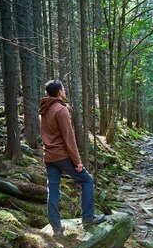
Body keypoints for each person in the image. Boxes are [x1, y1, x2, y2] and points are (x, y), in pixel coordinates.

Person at [39, 79, 105, 235]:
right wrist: (77, 162)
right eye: (63, 89)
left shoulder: (43, 111)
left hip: (49, 156)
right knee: (87, 180)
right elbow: (69, 137)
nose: (65, 91)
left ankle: (56, 228)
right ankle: (88, 218)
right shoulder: (60, 110)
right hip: (62, 155)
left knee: (53, 190)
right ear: (60, 92)